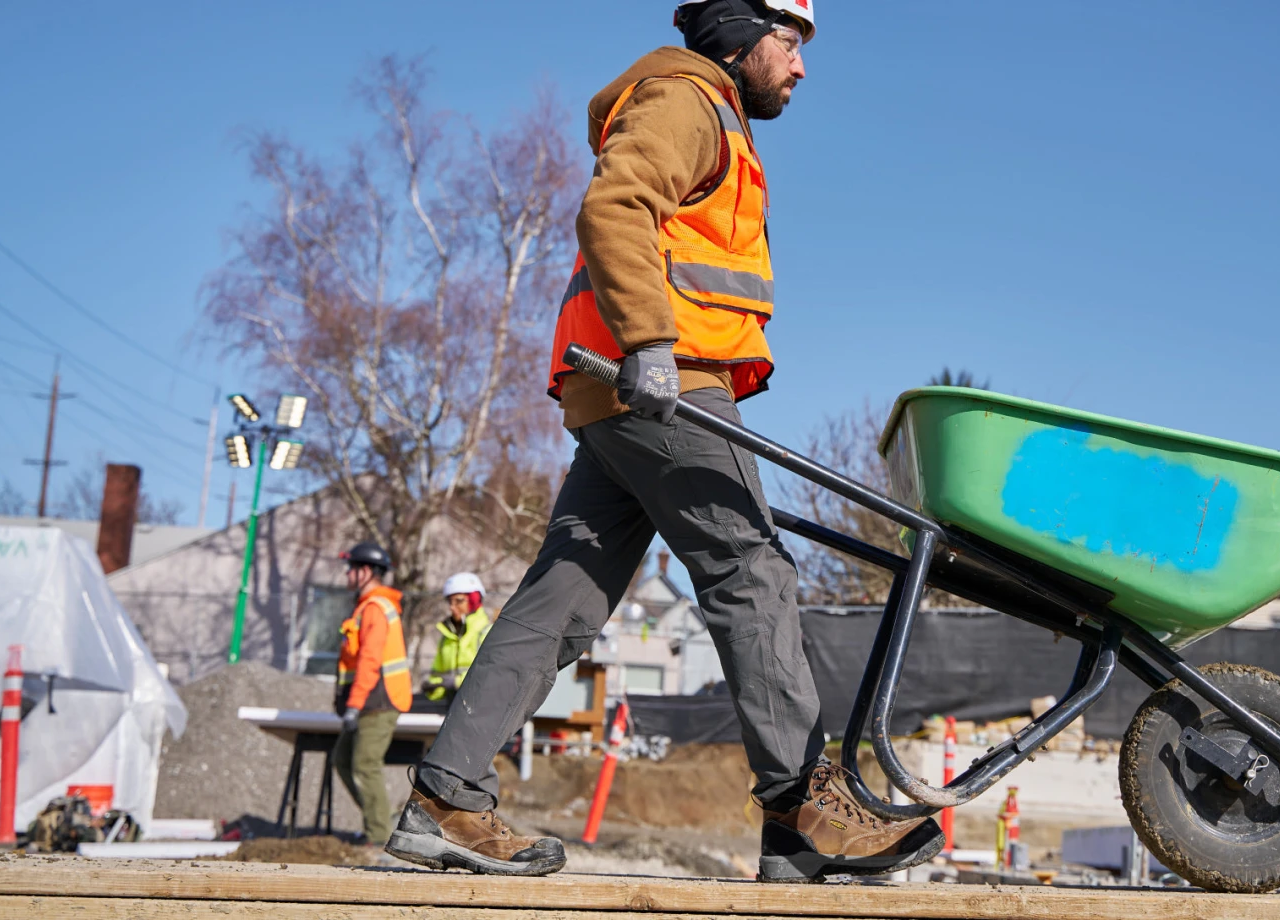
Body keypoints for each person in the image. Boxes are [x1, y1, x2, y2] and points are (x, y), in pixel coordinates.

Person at [385, 0, 943, 882]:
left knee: (559, 602)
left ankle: (445, 799)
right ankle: (805, 812)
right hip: (664, 380)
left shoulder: (700, 109)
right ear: (738, 31)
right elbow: (614, 207)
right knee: (750, 570)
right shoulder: (688, 100)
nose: (800, 68)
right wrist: (649, 341)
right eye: (790, 43)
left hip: (619, 394)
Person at [333, 541, 412, 846]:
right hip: (368, 701)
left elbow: (369, 660)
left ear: (365, 571)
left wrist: (353, 705)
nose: (347, 574)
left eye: (351, 568)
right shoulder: (366, 606)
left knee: (365, 765)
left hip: (378, 701)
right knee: (342, 759)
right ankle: (379, 820)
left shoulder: (376, 608)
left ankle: (378, 837)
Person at [422, 573, 492, 703]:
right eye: (450, 601)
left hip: (481, 706)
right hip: (453, 705)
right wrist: (432, 687)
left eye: (459, 601)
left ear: (473, 601)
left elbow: (491, 674)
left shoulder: (487, 633)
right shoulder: (447, 637)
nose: (452, 607)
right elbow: (438, 675)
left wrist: (456, 682)